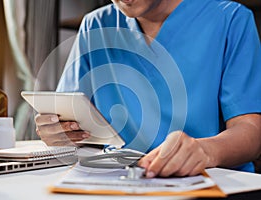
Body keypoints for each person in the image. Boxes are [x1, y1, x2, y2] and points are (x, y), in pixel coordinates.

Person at [35, 0, 261, 177]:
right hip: (115, 183)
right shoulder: (95, 26)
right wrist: (60, 132)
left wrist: (206, 151)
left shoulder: (230, 19)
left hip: (211, 181)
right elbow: (72, 122)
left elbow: (251, 133)